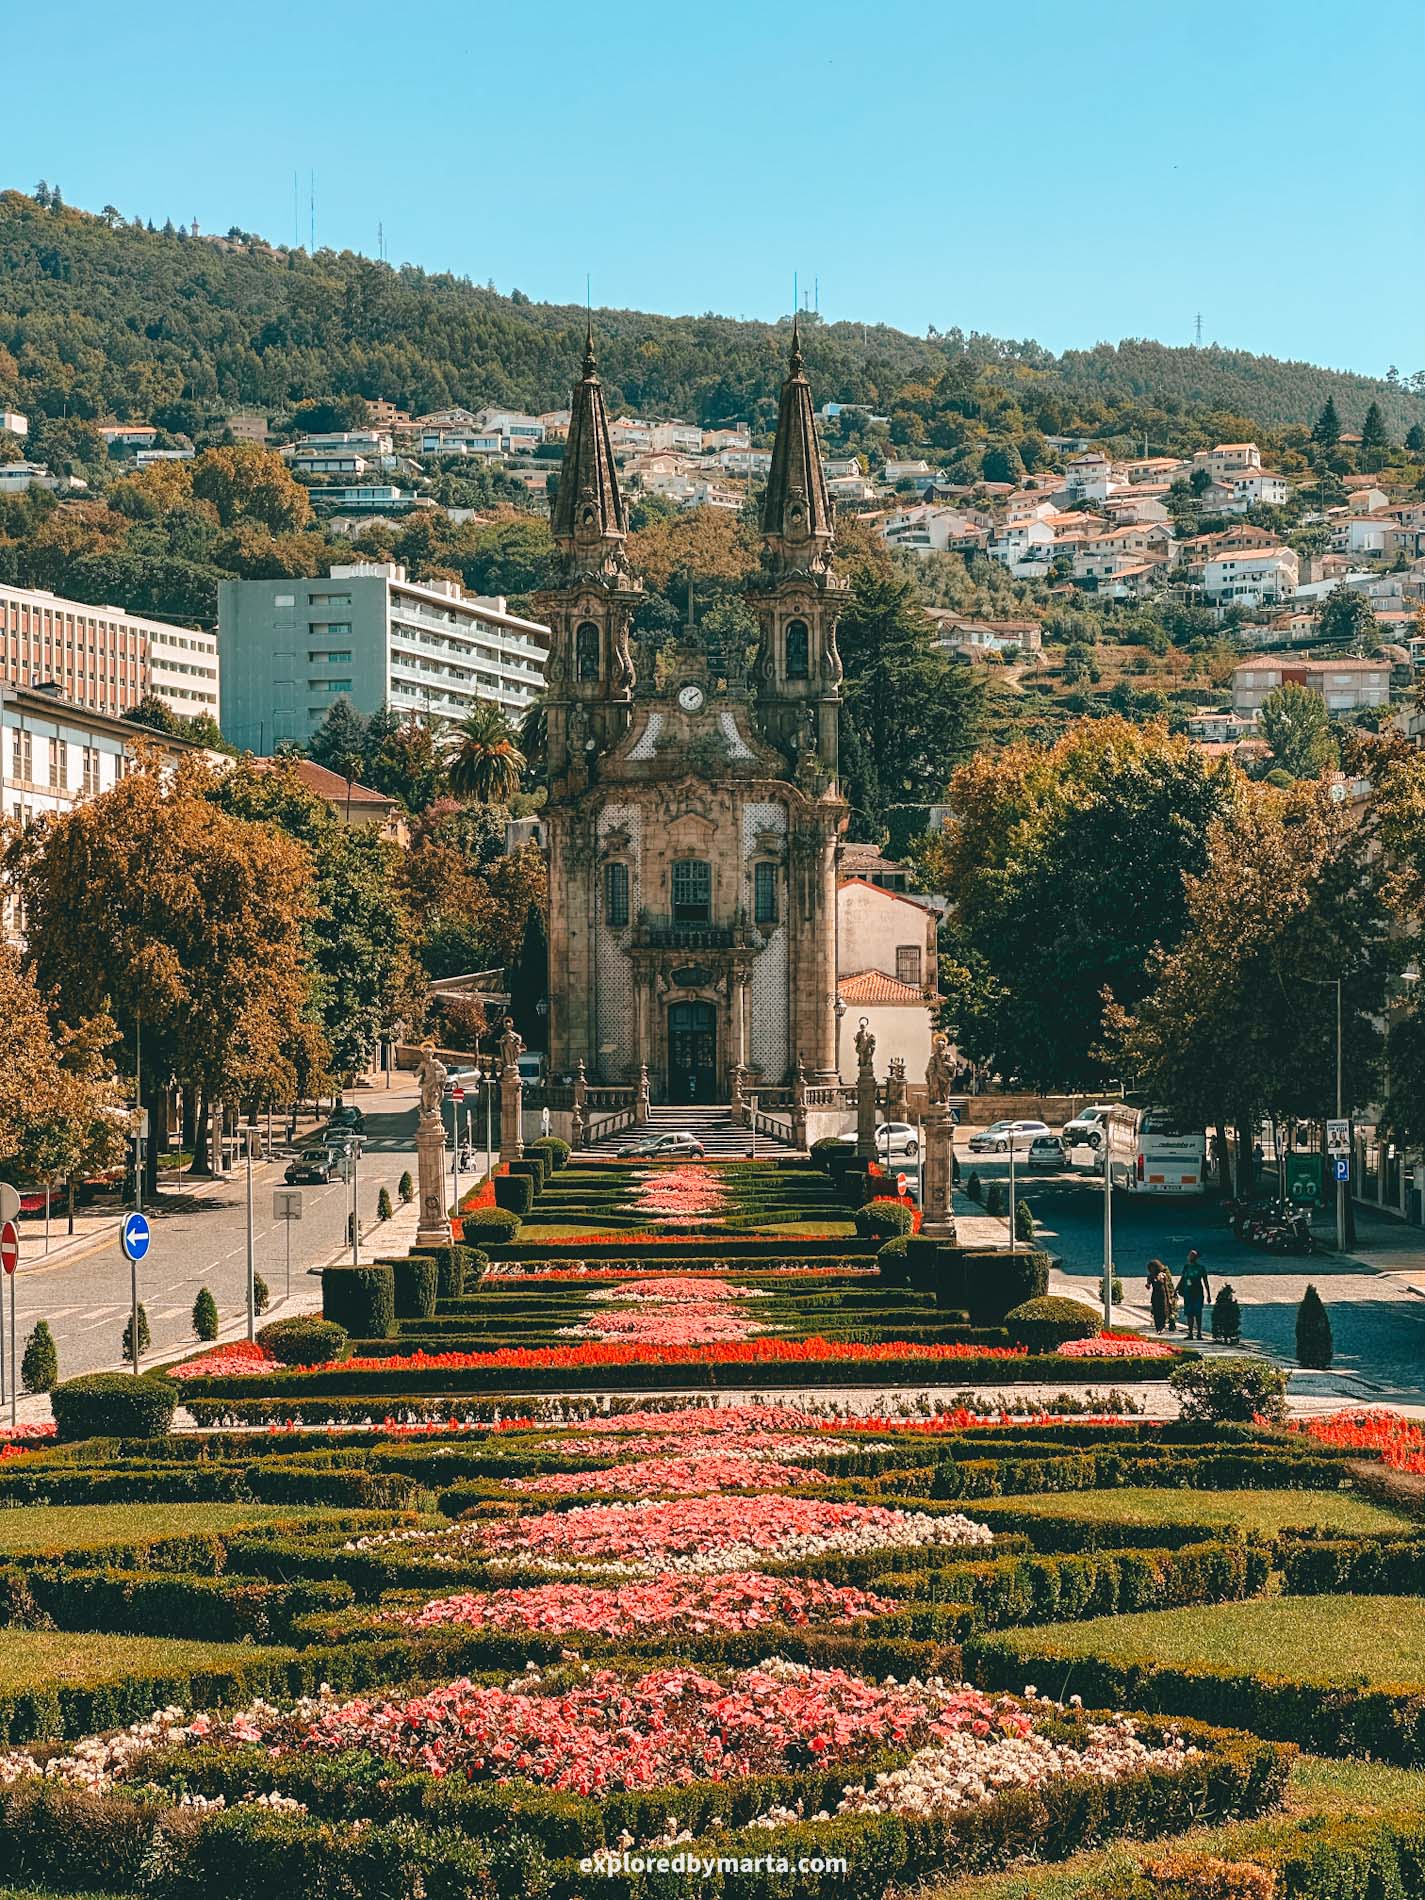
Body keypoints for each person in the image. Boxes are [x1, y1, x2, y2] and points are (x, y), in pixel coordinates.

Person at [1178, 1249, 1212, 1341]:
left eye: (1192, 1256)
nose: (1190, 1257)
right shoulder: (1186, 1267)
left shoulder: (1201, 1268)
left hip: (1197, 1293)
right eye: (1189, 1255)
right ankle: (1190, 1333)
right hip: (1188, 1293)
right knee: (1189, 1314)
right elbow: (1182, 1279)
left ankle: (1199, 1333)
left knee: (1198, 1313)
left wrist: (1209, 1294)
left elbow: (1205, 1281)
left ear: (1196, 1258)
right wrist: (1176, 1290)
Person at [1146, 1258, 1173, 1334]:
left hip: (1163, 1294)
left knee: (1163, 1311)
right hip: (1155, 1295)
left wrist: (1169, 1297)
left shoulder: (1163, 1275)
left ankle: (1162, 1326)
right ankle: (1158, 1327)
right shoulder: (1150, 1276)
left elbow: (1166, 1287)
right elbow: (1148, 1284)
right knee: (1156, 1311)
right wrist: (1148, 1285)